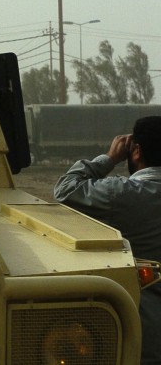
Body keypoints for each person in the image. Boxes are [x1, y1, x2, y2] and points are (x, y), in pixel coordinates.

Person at [54, 116, 161, 363]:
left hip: (141, 326)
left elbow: (65, 190)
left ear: (136, 151)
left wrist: (109, 158)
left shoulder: (120, 194)